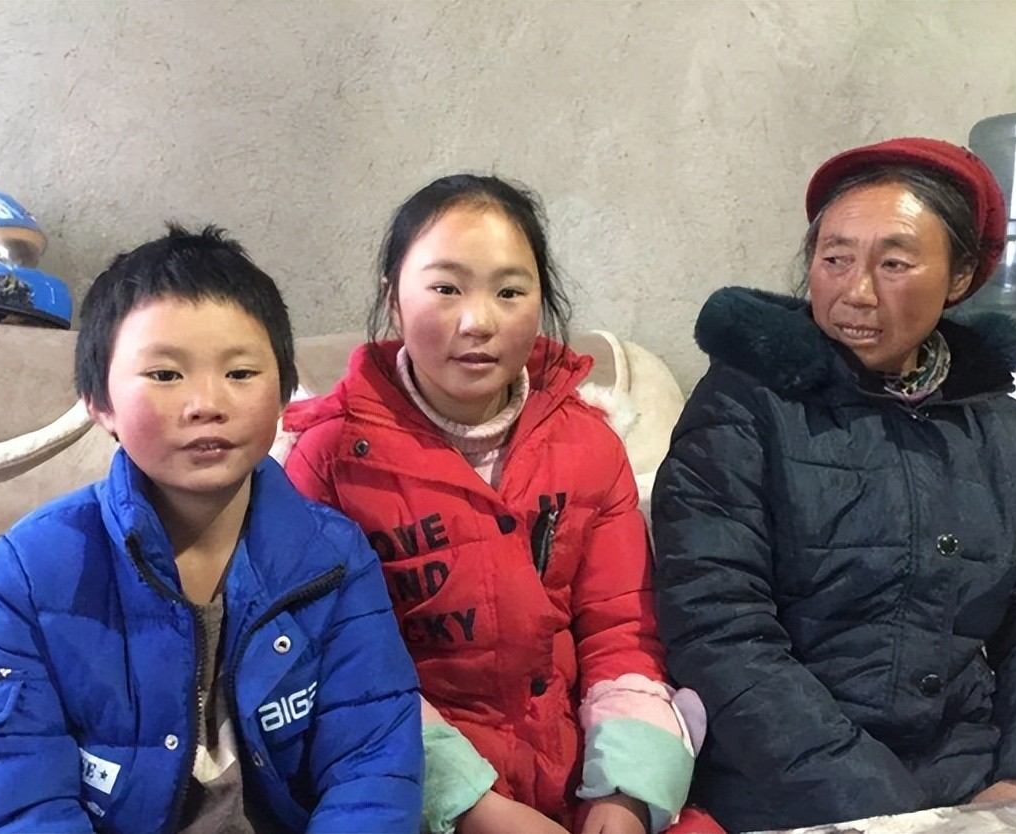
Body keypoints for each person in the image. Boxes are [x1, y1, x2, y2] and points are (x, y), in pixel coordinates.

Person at [0, 225, 422, 833]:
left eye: (241, 373)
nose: (207, 403)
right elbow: (7, 786)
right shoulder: (30, 570)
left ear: (284, 392)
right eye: (166, 375)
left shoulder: (333, 559)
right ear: (100, 403)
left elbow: (373, 765)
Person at [651, 138, 1016, 832]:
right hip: (791, 793)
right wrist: (893, 813)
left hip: (977, 780)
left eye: (893, 263)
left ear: (959, 276)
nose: (855, 292)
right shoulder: (744, 407)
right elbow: (718, 630)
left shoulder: (1002, 430)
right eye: (834, 258)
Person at [282, 175, 716, 834]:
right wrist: (474, 808)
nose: (478, 322)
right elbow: (335, 671)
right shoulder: (331, 459)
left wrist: (626, 794)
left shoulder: (589, 445)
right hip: (413, 787)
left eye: (509, 292)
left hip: (579, 778)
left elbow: (621, 633)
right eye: (446, 288)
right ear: (394, 300)